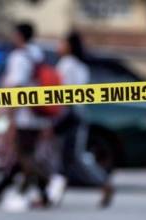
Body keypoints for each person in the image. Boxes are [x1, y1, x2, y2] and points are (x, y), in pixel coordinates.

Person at [0, 22, 53, 208]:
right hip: (39, 112)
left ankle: (44, 182)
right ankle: (1, 188)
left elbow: (17, 88)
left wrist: (10, 117)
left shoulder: (19, 57)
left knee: (23, 154)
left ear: (19, 35)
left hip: (25, 115)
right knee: (22, 154)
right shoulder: (37, 54)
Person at [52, 31, 114, 208]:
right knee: (66, 158)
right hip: (77, 115)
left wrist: (55, 116)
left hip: (68, 116)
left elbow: (61, 94)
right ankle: (52, 195)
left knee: (71, 158)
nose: (59, 47)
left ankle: (103, 184)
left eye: (61, 43)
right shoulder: (81, 66)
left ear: (69, 45)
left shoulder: (66, 65)